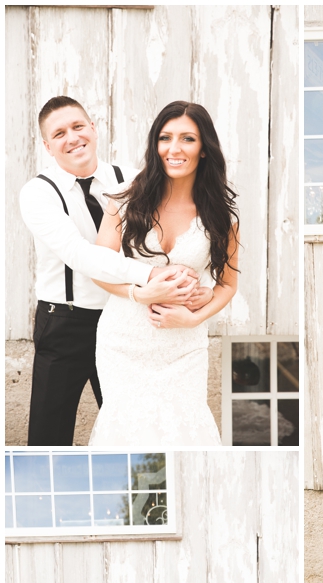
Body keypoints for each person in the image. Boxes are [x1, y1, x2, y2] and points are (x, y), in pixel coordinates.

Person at [19, 96, 205, 446]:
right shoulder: (37, 194)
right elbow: (82, 256)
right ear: (47, 146)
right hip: (65, 324)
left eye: (77, 127)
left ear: (93, 128)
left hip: (128, 323)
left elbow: (176, 233)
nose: (72, 138)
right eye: (59, 133)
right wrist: (147, 280)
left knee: (134, 431)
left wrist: (196, 286)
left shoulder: (133, 181)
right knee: (48, 438)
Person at [89, 100, 241, 445]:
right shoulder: (124, 201)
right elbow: (97, 268)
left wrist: (194, 318)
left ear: (204, 149)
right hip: (123, 341)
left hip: (183, 346)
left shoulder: (222, 216)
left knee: (185, 432)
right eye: (165, 138)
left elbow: (228, 285)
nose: (174, 148)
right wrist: (139, 293)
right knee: (126, 433)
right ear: (155, 145)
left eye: (187, 139)